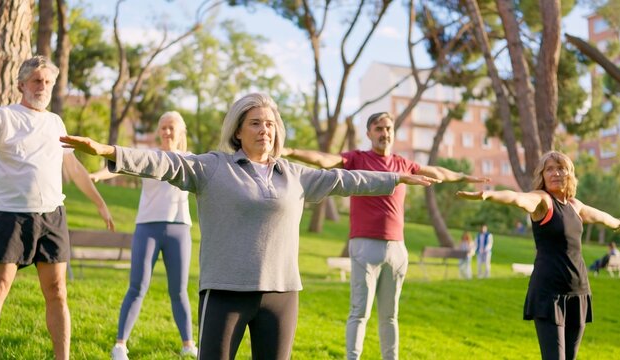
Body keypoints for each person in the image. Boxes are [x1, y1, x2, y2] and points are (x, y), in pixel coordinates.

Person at [59, 93, 441, 360]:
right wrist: (110, 152)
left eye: (270, 124)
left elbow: (347, 180)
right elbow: (164, 163)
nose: (265, 130)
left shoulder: (293, 174)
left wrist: (395, 179)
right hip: (226, 291)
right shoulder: (212, 167)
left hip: (282, 294)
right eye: (255, 123)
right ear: (238, 131)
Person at [282, 111, 489, 360]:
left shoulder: (403, 164)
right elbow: (323, 159)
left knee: (390, 316)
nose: (385, 133)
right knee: (359, 311)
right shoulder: (357, 158)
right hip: (364, 245)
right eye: (379, 128)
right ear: (369, 133)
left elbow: (438, 172)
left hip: (397, 249)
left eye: (388, 128)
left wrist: (465, 178)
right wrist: (288, 151)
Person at [0, 56, 114, 360]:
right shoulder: (4, 116)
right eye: (36, 81)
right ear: (21, 85)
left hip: (52, 216)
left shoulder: (56, 122)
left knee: (57, 292)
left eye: (48, 82)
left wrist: (100, 203)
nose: (42, 87)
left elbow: (74, 167)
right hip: (11, 216)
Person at [457, 150, 620, 360]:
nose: (555, 173)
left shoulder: (574, 206)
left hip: (578, 293)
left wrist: (617, 223)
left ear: (569, 173)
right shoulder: (542, 201)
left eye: (560, 168)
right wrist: (488, 195)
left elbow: (606, 219)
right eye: (549, 169)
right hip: (548, 294)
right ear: (542, 175)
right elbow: (517, 198)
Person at [90, 112, 197, 359]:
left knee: (179, 290)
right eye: (163, 128)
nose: (167, 132)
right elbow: (123, 165)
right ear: (159, 131)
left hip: (179, 229)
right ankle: (120, 345)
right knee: (137, 286)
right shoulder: (149, 157)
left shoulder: (190, 160)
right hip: (147, 228)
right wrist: (97, 175)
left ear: (181, 132)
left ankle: (188, 345)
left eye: (172, 128)